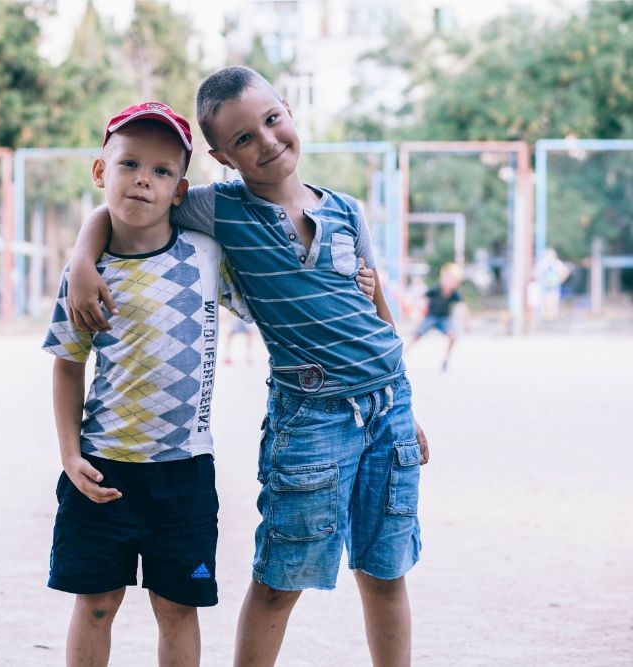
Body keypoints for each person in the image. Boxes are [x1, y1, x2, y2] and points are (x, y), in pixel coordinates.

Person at [65, 67, 430, 667]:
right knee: (282, 576)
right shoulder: (217, 210)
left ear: (287, 109)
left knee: (387, 569)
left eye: (271, 120)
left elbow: (377, 312)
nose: (265, 142)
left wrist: (407, 409)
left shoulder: (348, 211)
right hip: (310, 416)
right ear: (220, 157)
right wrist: (83, 256)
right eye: (242, 139)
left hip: (388, 408)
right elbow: (129, 202)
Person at [43, 101, 253, 667]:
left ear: (180, 190)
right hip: (102, 468)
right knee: (95, 604)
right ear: (99, 172)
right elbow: (67, 363)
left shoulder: (206, 257)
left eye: (162, 171)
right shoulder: (87, 273)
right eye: (129, 163)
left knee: (177, 607)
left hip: (184, 472)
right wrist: (69, 454)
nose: (143, 179)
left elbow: (265, 304)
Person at [406, 262, 467, 372]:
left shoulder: (454, 293)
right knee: (416, 335)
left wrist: (466, 321)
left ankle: (445, 360)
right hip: (431, 317)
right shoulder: (436, 289)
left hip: (444, 319)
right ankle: (402, 356)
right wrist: (415, 311)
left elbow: (462, 306)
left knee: (453, 336)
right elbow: (423, 298)